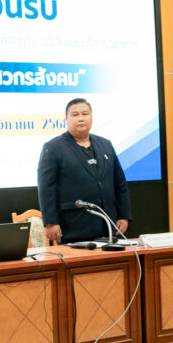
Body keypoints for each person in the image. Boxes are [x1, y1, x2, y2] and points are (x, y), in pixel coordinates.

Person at [37, 98, 132, 244]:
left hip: (107, 225)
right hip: (73, 226)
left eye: (85, 114)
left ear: (91, 117)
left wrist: (123, 215)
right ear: (66, 119)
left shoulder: (105, 144)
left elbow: (120, 183)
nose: (81, 118)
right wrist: (50, 222)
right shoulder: (53, 148)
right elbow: (46, 188)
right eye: (75, 115)